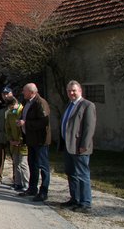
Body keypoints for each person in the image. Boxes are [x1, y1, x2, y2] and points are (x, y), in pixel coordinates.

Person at [59, 80, 96, 213]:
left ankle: (85, 202)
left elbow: (89, 127)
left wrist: (84, 145)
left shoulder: (87, 105)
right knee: (71, 174)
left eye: (74, 90)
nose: (71, 93)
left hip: (79, 147)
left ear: (80, 91)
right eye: (69, 91)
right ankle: (75, 199)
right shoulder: (68, 105)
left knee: (82, 174)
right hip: (68, 146)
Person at [17, 83, 51, 202]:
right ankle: (32, 188)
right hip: (31, 140)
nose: (23, 93)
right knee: (33, 165)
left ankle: (43, 191)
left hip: (40, 141)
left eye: (24, 91)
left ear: (32, 92)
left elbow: (43, 122)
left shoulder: (40, 103)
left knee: (43, 166)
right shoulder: (28, 102)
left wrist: (25, 123)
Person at [4, 93, 29, 191]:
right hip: (13, 143)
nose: (10, 108)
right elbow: (8, 128)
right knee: (16, 163)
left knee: (23, 164)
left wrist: (20, 140)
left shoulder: (22, 111)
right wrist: (10, 140)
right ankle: (18, 183)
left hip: (23, 143)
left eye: (11, 106)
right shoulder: (10, 113)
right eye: (9, 107)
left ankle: (26, 184)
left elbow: (25, 129)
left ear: (16, 103)